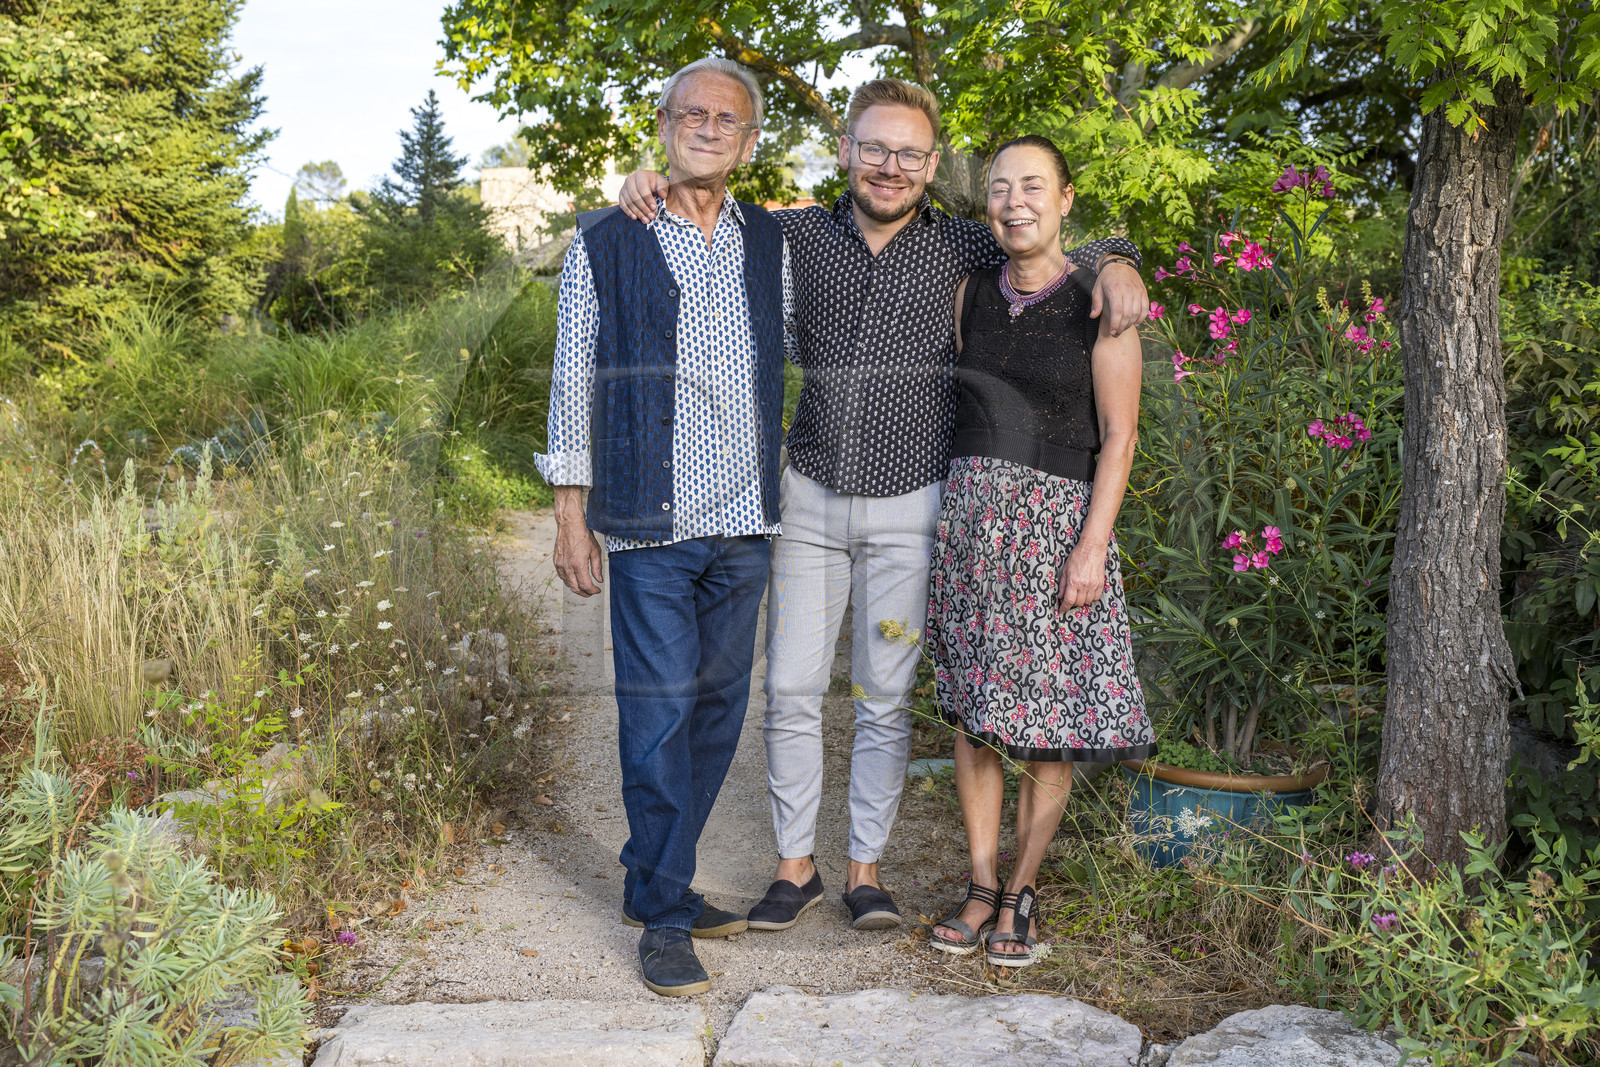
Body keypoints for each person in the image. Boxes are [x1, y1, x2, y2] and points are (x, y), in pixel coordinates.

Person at [618, 79, 1147, 933]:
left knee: (883, 696)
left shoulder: (965, 246)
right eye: (875, 148)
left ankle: (866, 869)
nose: (890, 167)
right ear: (845, 151)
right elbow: (698, 201)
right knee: (790, 688)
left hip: (915, 504)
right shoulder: (788, 235)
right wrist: (640, 182)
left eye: (909, 153)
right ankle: (797, 868)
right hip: (810, 495)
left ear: (934, 165)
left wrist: (1118, 256)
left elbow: (1045, 237)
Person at [535, 57, 793, 998]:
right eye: (693, 114)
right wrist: (571, 512)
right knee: (657, 716)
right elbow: (571, 382)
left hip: (746, 522)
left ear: (750, 141)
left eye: (728, 120)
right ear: (662, 123)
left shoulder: (772, 241)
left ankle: (654, 879)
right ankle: (669, 915)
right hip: (650, 523)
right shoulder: (606, 236)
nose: (709, 128)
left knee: (721, 711)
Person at [926, 135, 1151, 969]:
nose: (1014, 201)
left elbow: (1121, 439)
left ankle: (1023, 887)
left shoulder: (1102, 298)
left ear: (1065, 199)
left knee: (1045, 722)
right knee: (977, 714)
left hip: (1057, 533)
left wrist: (1091, 546)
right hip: (972, 530)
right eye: (999, 188)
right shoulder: (968, 292)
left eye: (1033, 187)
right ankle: (980, 884)